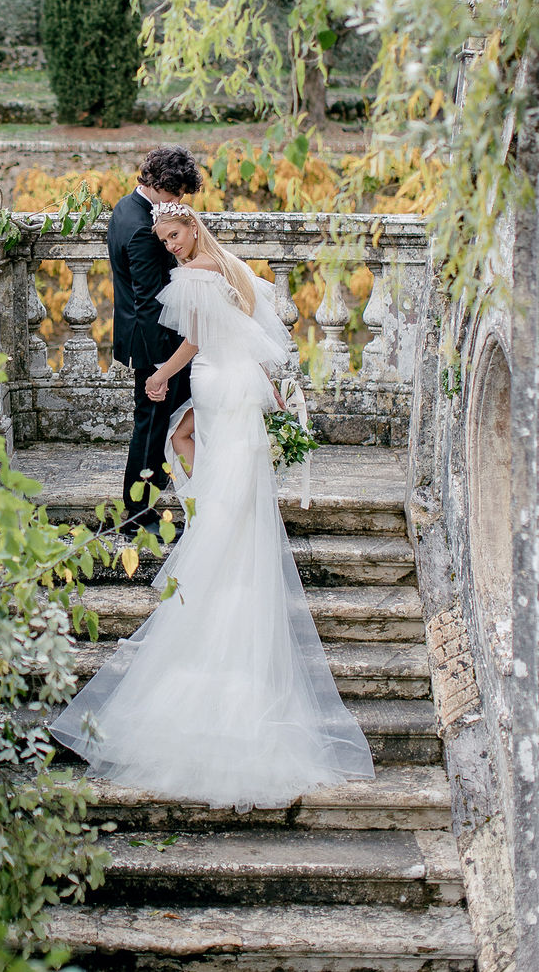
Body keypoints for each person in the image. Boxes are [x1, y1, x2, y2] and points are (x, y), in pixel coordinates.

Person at [50, 203, 374, 809]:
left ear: (192, 227)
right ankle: (214, 522)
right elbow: (252, 333)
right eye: (165, 239)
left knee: (191, 451)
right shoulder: (235, 269)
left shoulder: (194, 275)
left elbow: (197, 339)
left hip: (217, 382)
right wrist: (270, 387)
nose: (171, 246)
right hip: (241, 384)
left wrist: (159, 375)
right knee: (220, 468)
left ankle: (209, 527)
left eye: (175, 235)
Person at [106, 147, 201, 531]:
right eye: (176, 193)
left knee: (158, 424)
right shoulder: (143, 229)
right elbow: (149, 300)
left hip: (141, 335)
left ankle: (148, 502)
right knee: (151, 428)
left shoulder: (124, 207)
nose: (178, 201)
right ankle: (137, 515)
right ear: (159, 184)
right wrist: (162, 368)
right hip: (154, 343)